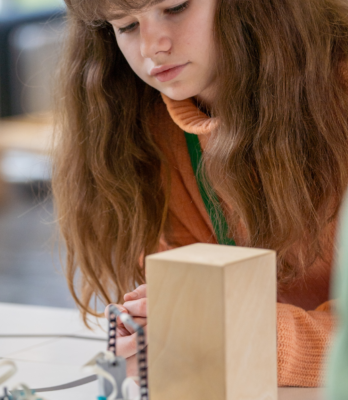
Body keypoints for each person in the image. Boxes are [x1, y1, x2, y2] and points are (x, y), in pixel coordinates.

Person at [52, 0, 348, 387]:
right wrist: (160, 331)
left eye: (175, 7)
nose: (151, 46)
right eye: (125, 26)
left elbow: (235, 332)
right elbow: (202, 314)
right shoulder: (145, 132)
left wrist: (249, 336)